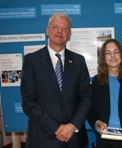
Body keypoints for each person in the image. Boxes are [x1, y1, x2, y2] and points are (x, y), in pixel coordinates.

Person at [20, 12, 91, 148]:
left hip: (73, 138)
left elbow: (86, 96)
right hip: (42, 138)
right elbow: (28, 101)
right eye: (55, 26)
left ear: (69, 34)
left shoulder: (78, 61)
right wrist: (56, 128)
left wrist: (72, 126)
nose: (60, 31)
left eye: (65, 28)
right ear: (47, 31)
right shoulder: (31, 60)